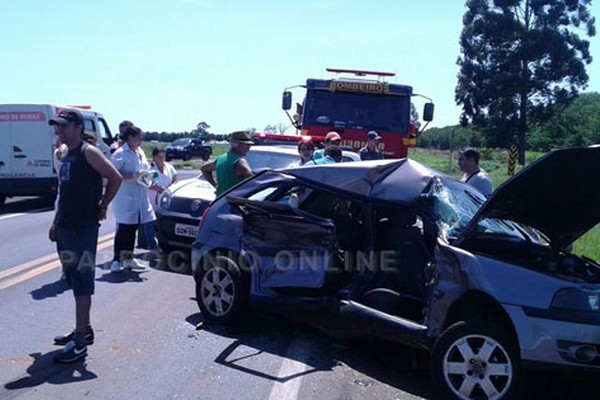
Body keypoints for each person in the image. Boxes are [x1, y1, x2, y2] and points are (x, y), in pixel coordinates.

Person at [48, 109, 122, 363]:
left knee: (82, 283)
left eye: (64, 126)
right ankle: (84, 329)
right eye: (57, 127)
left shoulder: (89, 152)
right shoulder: (66, 155)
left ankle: (80, 342)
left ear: (78, 127)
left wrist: (102, 206)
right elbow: (65, 193)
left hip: (83, 228)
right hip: (66, 227)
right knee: (74, 279)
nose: (59, 131)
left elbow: (115, 177)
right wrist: (56, 222)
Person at [109, 126, 156, 272]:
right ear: (129, 137)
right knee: (124, 230)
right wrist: (133, 176)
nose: (140, 141)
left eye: (141, 138)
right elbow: (112, 175)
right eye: (137, 138)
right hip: (126, 197)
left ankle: (129, 259)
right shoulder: (120, 154)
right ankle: (116, 260)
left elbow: (144, 169)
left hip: (140, 196)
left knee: (133, 228)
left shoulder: (140, 152)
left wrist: (148, 176)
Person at [140, 147, 178, 249]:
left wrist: (170, 188)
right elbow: (145, 183)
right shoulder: (149, 168)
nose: (162, 159)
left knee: (162, 222)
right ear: (154, 157)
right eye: (159, 157)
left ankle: (164, 243)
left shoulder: (169, 167)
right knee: (150, 222)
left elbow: (175, 179)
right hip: (152, 199)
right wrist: (159, 189)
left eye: (163, 156)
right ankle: (151, 245)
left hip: (166, 199)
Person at [201, 130, 253, 196]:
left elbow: (204, 169)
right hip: (234, 202)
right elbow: (255, 181)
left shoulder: (221, 158)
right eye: (247, 145)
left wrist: (216, 186)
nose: (249, 148)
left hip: (220, 200)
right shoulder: (240, 162)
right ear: (238, 145)